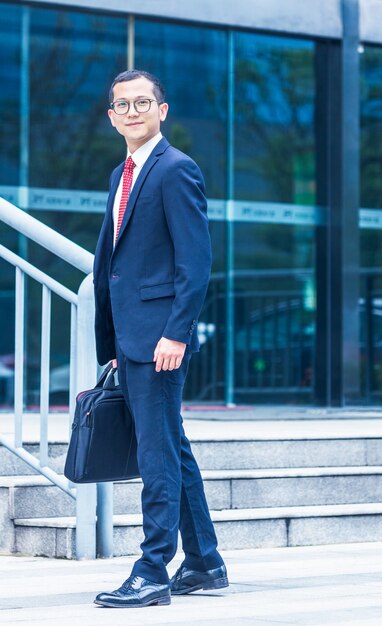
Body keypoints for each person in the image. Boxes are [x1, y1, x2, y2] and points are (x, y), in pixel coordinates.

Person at [92, 69, 228, 608]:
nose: (132, 111)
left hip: (159, 341)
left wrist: (176, 333)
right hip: (131, 338)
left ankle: (152, 569)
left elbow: (195, 264)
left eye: (142, 102)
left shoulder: (175, 170)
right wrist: (110, 338)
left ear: (162, 111)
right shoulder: (120, 173)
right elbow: (114, 263)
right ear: (111, 116)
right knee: (172, 447)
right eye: (122, 104)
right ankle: (203, 563)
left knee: (157, 455)